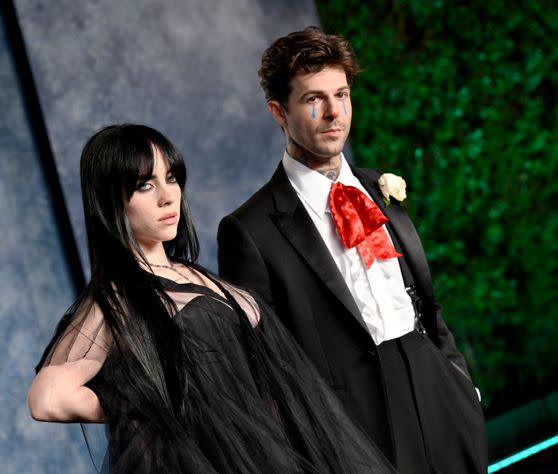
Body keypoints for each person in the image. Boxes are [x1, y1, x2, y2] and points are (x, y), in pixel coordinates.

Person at [27, 124, 396, 474]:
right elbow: (46, 398)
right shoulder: (119, 296)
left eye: (170, 178)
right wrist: (142, 403)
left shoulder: (192, 274)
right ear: (112, 200)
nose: (167, 195)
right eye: (144, 185)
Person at [217, 27, 488, 474]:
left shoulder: (379, 187)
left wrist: (461, 388)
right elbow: (263, 370)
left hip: (442, 403)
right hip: (352, 435)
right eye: (312, 99)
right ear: (278, 112)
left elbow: (424, 302)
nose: (333, 113)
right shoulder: (249, 231)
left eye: (341, 94)